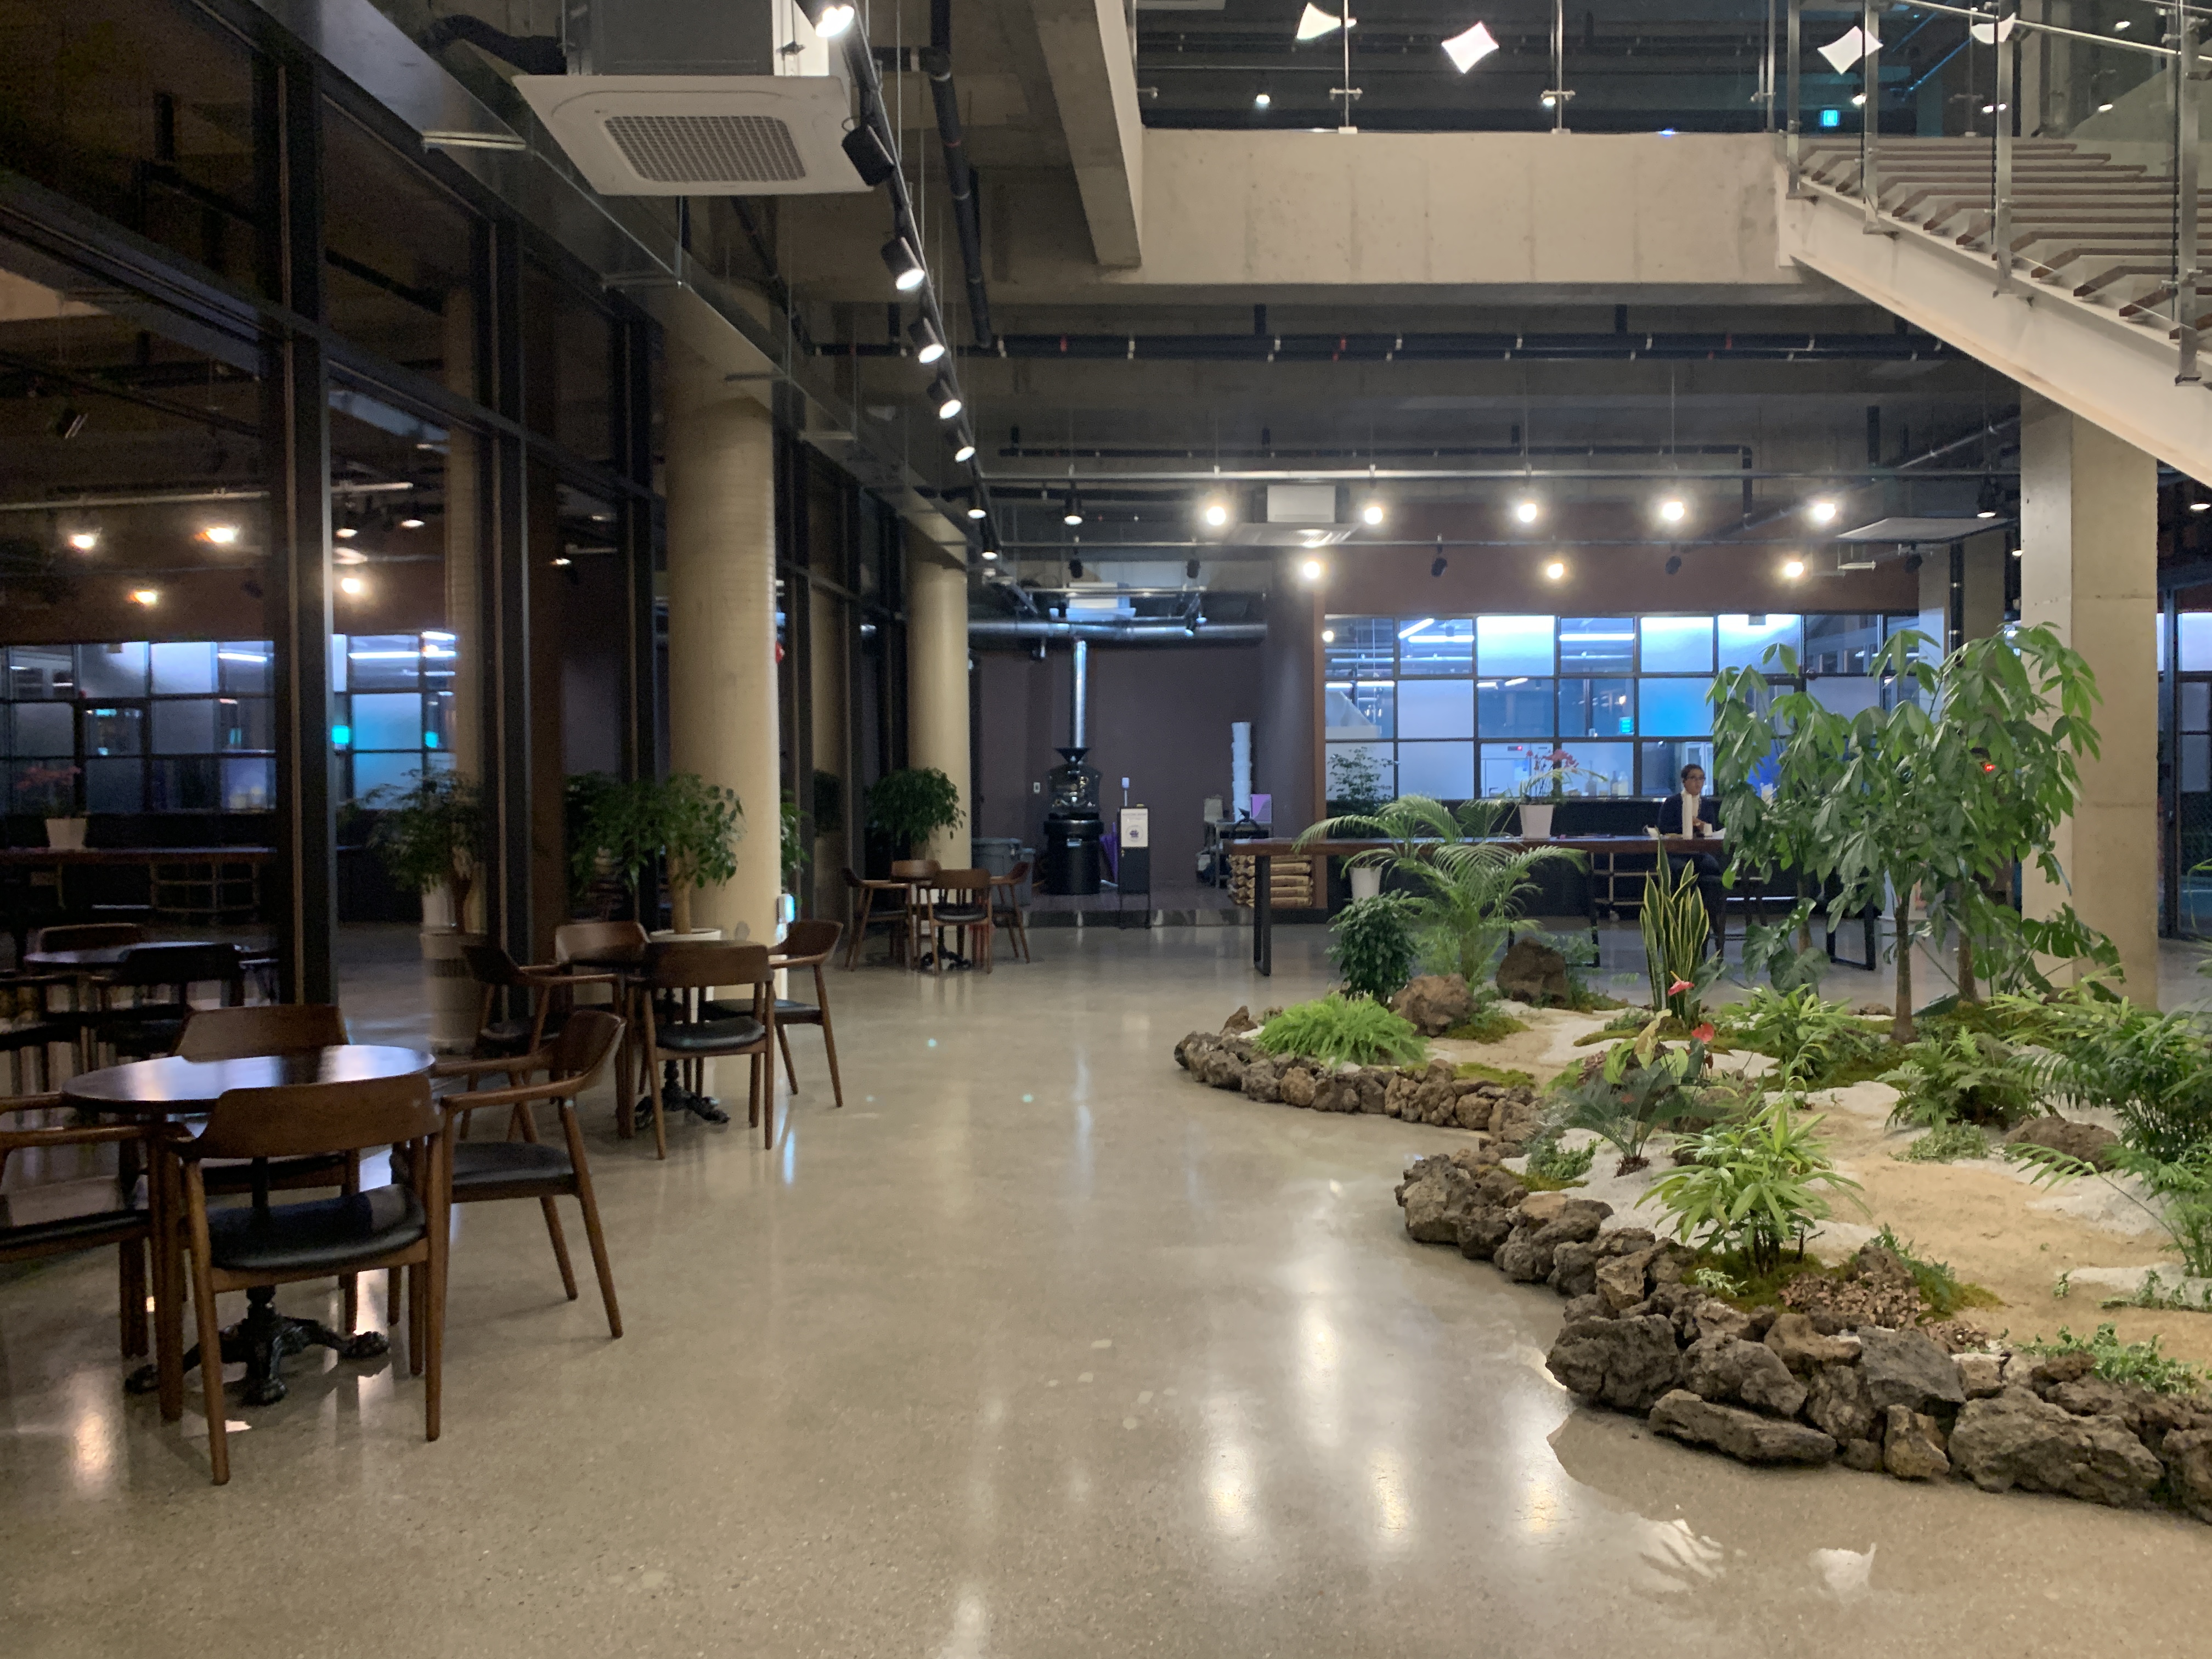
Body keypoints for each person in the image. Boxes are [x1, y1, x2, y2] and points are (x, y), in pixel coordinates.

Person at [1655, 763, 1725, 943]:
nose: (1698, 783)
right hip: (1677, 853)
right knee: (1682, 871)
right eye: (1694, 778)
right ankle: (1683, 915)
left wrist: (1700, 825)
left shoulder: (1706, 804)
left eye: (1701, 779)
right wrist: (1686, 824)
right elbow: (1664, 828)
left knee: (1713, 869)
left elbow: (1711, 829)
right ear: (1684, 781)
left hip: (1699, 852)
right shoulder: (1672, 803)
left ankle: (1706, 915)